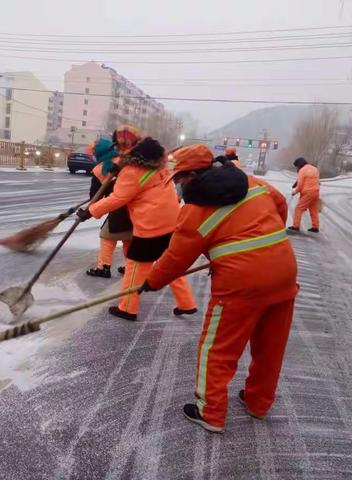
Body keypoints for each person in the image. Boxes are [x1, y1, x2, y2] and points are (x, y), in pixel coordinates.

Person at [141, 144, 298, 433]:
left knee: (218, 349)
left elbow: (176, 259)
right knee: (271, 346)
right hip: (284, 272)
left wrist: (151, 282)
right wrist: (256, 237)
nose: (176, 186)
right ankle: (258, 402)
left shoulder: (195, 210)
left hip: (241, 284)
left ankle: (210, 412)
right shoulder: (252, 183)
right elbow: (280, 205)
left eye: (178, 179)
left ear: (191, 175)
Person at [78, 137, 197, 321]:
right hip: (171, 221)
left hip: (151, 227)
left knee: (134, 268)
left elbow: (118, 198)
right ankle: (187, 303)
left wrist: (90, 212)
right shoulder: (160, 167)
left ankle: (127, 308)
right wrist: (120, 169)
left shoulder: (132, 171)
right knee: (170, 266)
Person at [85, 126, 141, 278]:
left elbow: (95, 197)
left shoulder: (99, 169)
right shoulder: (126, 161)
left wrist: (88, 210)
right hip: (139, 208)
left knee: (107, 236)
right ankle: (131, 266)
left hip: (119, 207)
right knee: (129, 238)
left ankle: (104, 267)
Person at [287, 157, 320, 233]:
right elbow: (313, 180)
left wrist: (295, 192)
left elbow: (300, 185)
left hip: (308, 192)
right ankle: (315, 227)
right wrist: (297, 183)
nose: (297, 168)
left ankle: (296, 226)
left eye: (297, 166)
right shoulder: (315, 169)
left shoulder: (302, 170)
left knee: (299, 208)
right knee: (313, 209)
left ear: (299, 165)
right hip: (316, 191)